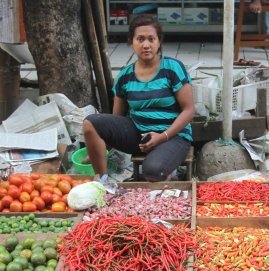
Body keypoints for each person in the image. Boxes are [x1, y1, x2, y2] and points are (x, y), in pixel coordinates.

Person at [82, 14, 194, 182]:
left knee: (153, 171)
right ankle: (102, 181)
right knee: (90, 123)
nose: (146, 45)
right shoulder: (125, 75)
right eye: (140, 39)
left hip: (173, 136)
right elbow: (117, 118)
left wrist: (162, 136)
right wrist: (99, 148)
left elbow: (189, 110)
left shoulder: (172, 68)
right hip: (139, 136)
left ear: (159, 41)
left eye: (151, 39)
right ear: (131, 42)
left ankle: (166, 167)